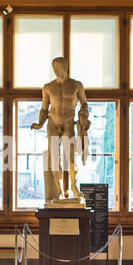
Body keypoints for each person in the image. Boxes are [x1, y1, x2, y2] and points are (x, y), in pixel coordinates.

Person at [31, 57, 90, 203]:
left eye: (58, 68)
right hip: (53, 124)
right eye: (54, 68)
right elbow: (44, 109)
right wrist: (39, 124)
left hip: (68, 123)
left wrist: (83, 116)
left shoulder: (76, 85)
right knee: (54, 158)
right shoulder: (48, 87)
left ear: (65, 67)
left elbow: (84, 104)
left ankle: (73, 187)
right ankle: (58, 191)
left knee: (70, 158)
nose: (56, 71)